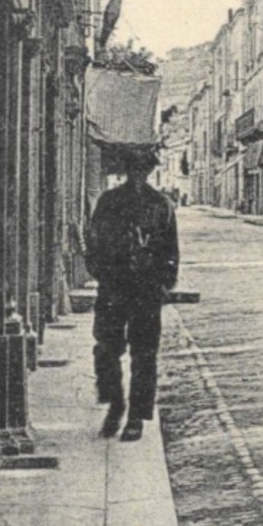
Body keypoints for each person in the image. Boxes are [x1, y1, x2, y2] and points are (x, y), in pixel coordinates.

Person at [85, 145, 180, 442]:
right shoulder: (109, 201)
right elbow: (94, 240)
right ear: (126, 171)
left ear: (149, 171)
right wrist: (100, 272)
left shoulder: (161, 204)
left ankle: (137, 417)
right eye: (133, 170)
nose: (138, 175)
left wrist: (164, 282)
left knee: (144, 354)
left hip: (146, 290)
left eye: (143, 170)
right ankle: (115, 403)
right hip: (114, 286)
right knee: (105, 348)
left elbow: (170, 250)